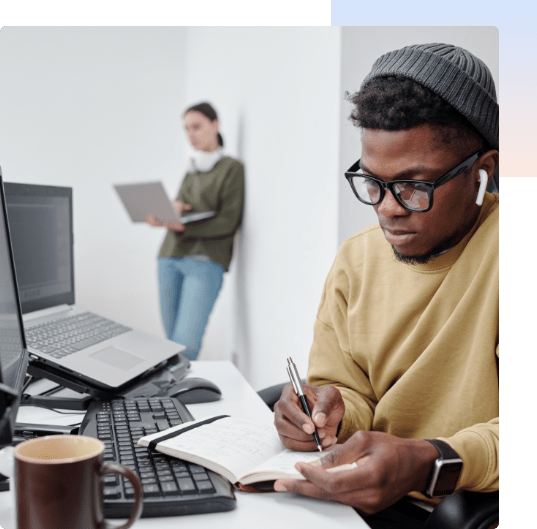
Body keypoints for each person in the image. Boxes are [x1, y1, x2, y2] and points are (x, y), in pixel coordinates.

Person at [273, 44, 499, 528]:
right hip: (357, 498)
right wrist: (328, 411)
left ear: (483, 170)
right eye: (372, 182)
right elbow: (350, 391)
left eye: (415, 185)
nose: (387, 209)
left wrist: (430, 460)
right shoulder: (357, 258)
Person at [146, 102, 244, 361]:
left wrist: (183, 225)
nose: (191, 134)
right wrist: (167, 215)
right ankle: (170, 399)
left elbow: (228, 221)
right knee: (171, 347)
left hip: (205, 260)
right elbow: (181, 213)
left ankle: (179, 397)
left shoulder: (231, 168)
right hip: (169, 256)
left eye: (197, 126)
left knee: (185, 346)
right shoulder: (191, 172)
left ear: (215, 125)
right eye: (186, 129)